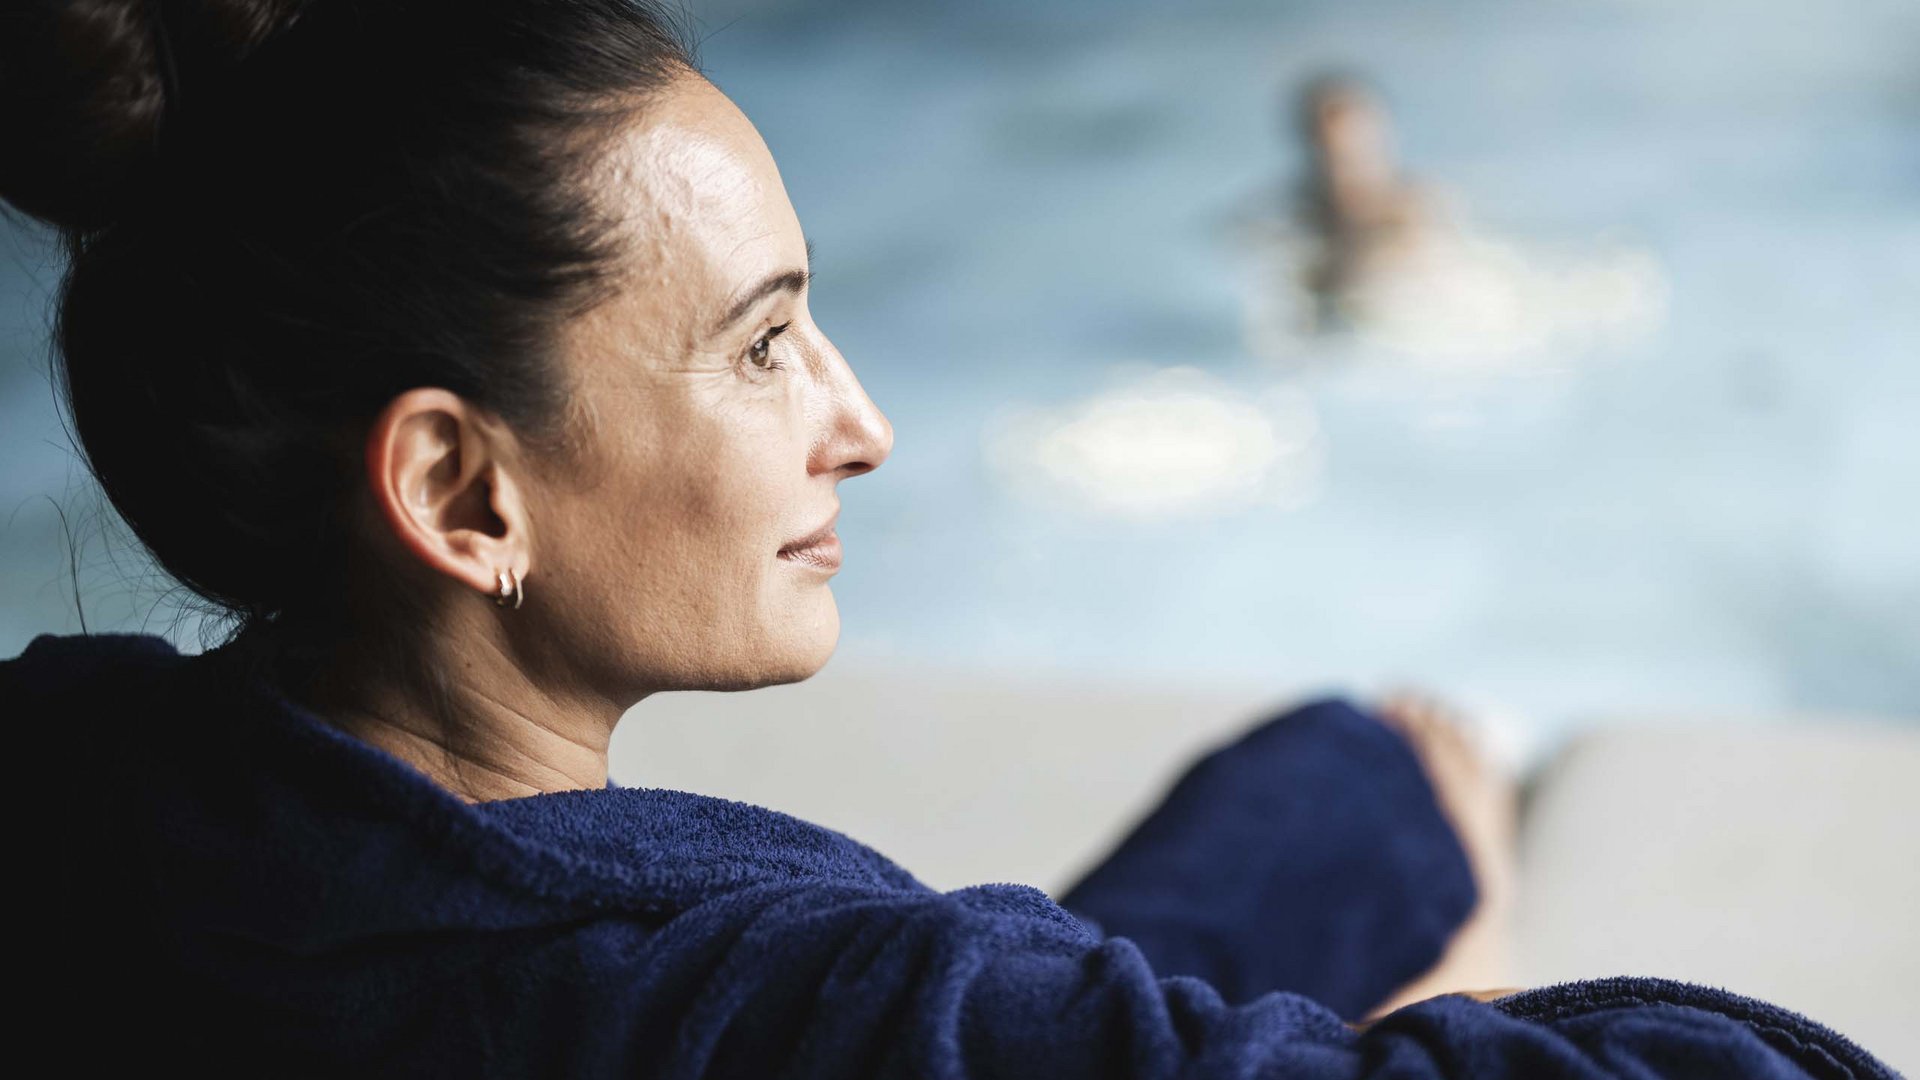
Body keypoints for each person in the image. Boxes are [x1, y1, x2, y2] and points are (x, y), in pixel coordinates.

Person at [0, 2, 1896, 1076]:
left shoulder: (76, 794)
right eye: (762, 347)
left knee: (1345, 783)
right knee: (1385, 834)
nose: (864, 425)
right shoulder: (762, 1006)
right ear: (460, 492)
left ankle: (1381, 804)